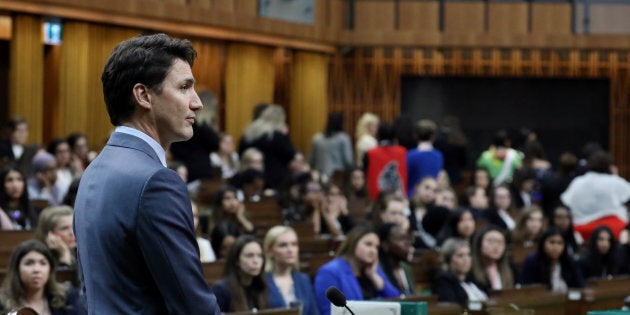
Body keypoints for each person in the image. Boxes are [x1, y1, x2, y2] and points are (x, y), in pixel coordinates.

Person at [72, 33, 220, 314]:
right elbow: (193, 306)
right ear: (143, 95)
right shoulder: (156, 182)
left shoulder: (95, 169)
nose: (197, 103)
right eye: (185, 87)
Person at [313, 225, 400, 315]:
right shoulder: (329, 272)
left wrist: (375, 278)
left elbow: (397, 303)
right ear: (353, 244)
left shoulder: (374, 271)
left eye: (376, 247)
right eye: (368, 244)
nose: (373, 251)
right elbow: (328, 311)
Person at [0, 239, 85, 315]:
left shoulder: (67, 298)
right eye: (29, 263)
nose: (36, 270)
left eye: (43, 263)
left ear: (50, 269)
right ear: (17, 269)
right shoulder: (2, 303)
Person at [561, 150, 630, 241]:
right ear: (610, 166)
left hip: (581, 229)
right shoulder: (615, 181)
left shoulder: (578, 182)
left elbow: (565, 202)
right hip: (614, 228)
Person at [263, 226, 320, 315]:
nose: (290, 250)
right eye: (283, 245)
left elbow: (314, 312)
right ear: (270, 251)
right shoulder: (262, 281)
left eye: (294, 244)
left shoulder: (303, 279)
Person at [238, 104, 297, 191]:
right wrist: (285, 134)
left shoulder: (250, 131)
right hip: (274, 177)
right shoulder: (277, 135)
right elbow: (290, 154)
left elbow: (241, 151)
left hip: (249, 176)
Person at [170, 90, 220, 183]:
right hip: (200, 174)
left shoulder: (182, 123)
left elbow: (174, 147)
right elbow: (216, 144)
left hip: (182, 172)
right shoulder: (203, 127)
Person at [211, 235, 268, 313]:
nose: (256, 261)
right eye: (249, 256)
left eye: (259, 256)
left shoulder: (262, 286)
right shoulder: (221, 289)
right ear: (236, 260)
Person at [521, 228, 584, 292]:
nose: (556, 247)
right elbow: (527, 289)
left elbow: (579, 288)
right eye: (552, 242)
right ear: (543, 244)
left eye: (560, 243)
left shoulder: (570, 263)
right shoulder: (532, 262)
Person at [433, 238, 488, 307]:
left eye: (468, 255)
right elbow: (453, 307)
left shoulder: (473, 278)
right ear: (448, 259)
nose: (466, 259)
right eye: (460, 255)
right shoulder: (443, 280)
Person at [470, 226, 516, 292]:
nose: (496, 246)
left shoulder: (511, 267)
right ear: (479, 244)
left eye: (500, 242)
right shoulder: (470, 270)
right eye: (491, 241)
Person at [309, 112, 354, 179]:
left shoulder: (317, 138)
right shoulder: (343, 139)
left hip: (319, 176)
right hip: (337, 177)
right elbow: (348, 161)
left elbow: (311, 160)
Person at [406, 119, 443, 197]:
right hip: (432, 194)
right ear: (433, 136)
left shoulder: (410, 155)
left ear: (415, 135)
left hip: (413, 195)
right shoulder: (438, 155)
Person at [377, 223, 416, 296]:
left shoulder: (405, 268)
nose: (408, 243)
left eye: (408, 239)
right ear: (385, 244)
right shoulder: (378, 268)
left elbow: (413, 296)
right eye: (401, 239)